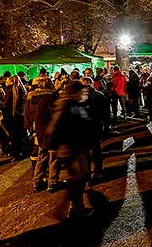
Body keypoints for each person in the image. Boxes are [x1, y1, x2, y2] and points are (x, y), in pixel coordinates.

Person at [45, 80, 94, 219]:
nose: (84, 93)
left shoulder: (70, 103)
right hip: (71, 148)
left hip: (73, 147)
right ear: (76, 92)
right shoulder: (69, 105)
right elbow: (57, 126)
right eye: (82, 91)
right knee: (78, 178)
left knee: (79, 177)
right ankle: (66, 206)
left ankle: (75, 206)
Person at [24, 77, 59, 192]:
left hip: (38, 131)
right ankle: (52, 183)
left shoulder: (31, 98)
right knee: (53, 158)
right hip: (51, 131)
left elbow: (28, 114)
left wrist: (31, 128)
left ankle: (37, 182)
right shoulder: (50, 98)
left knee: (41, 156)